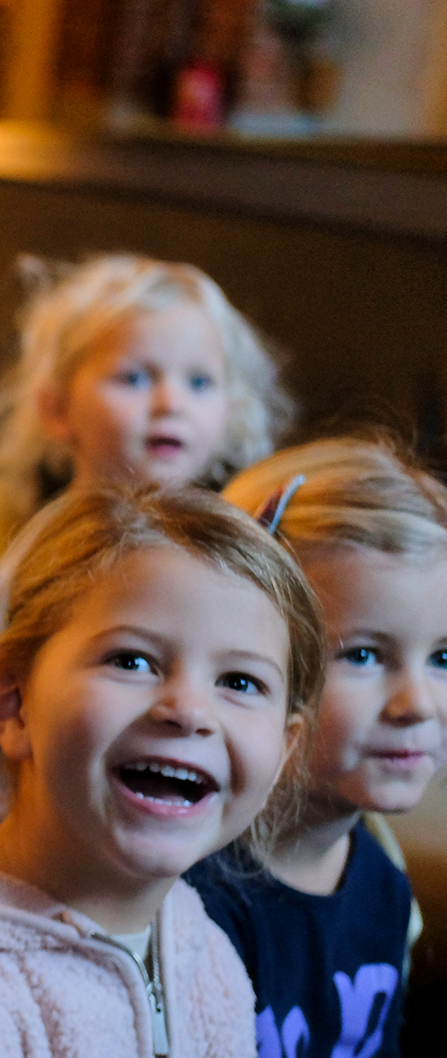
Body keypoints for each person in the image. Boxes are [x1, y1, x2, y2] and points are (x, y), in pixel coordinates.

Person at [0, 482, 324, 1057]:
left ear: (285, 750)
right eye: (132, 660)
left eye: (240, 682)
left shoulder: (200, 945)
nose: (189, 710)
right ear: (12, 703)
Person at [186, 437, 444, 1057]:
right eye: (364, 654)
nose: (417, 703)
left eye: (444, 658)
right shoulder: (188, 900)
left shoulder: (383, 887)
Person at [0, 253, 294, 519]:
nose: (171, 404)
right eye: (135, 379)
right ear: (57, 409)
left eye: (199, 382)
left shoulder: (223, 549)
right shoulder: (46, 547)